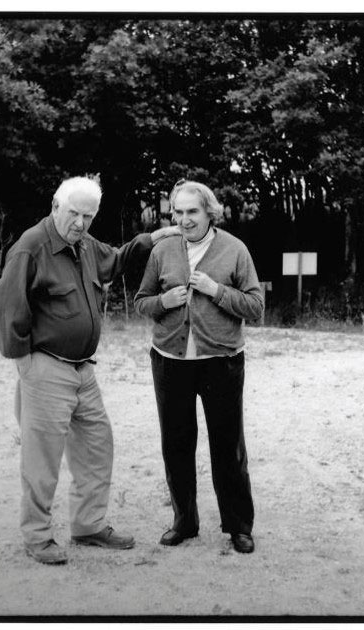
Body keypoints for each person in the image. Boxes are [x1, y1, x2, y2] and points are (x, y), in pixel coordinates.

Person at [0, 176, 180, 565]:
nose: (80, 222)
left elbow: (116, 259)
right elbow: (10, 311)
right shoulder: (30, 248)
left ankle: (88, 525)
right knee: (41, 461)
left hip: (84, 372)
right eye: (74, 213)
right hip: (45, 368)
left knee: (97, 447)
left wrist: (155, 237)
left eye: (88, 216)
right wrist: (25, 365)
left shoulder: (85, 245)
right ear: (55, 206)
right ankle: (38, 537)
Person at [134, 179, 263, 554]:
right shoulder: (162, 250)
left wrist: (215, 290)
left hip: (220, 361)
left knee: (228, 446)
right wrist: (164, 302)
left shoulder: (235, 250)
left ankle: (239, 525)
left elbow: (256, 308)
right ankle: (184, 522)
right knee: (176, 444)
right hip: (170, 361)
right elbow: (142, 300)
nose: (185, 219)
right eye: (178, 212)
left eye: (193, 211)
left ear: (210, 212)